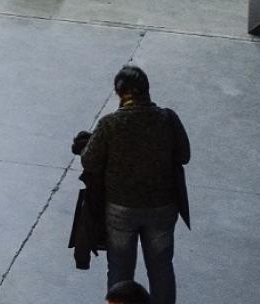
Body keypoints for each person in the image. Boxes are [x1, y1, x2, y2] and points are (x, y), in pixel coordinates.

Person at [80, 66, 191, 304]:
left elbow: (89, 161)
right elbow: (184, 155)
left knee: (120, 270)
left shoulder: (110, 124)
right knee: (161, 268)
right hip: (162, 208)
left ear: (121, 94)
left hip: (121, 210)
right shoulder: (167, 118)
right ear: (147, 90)